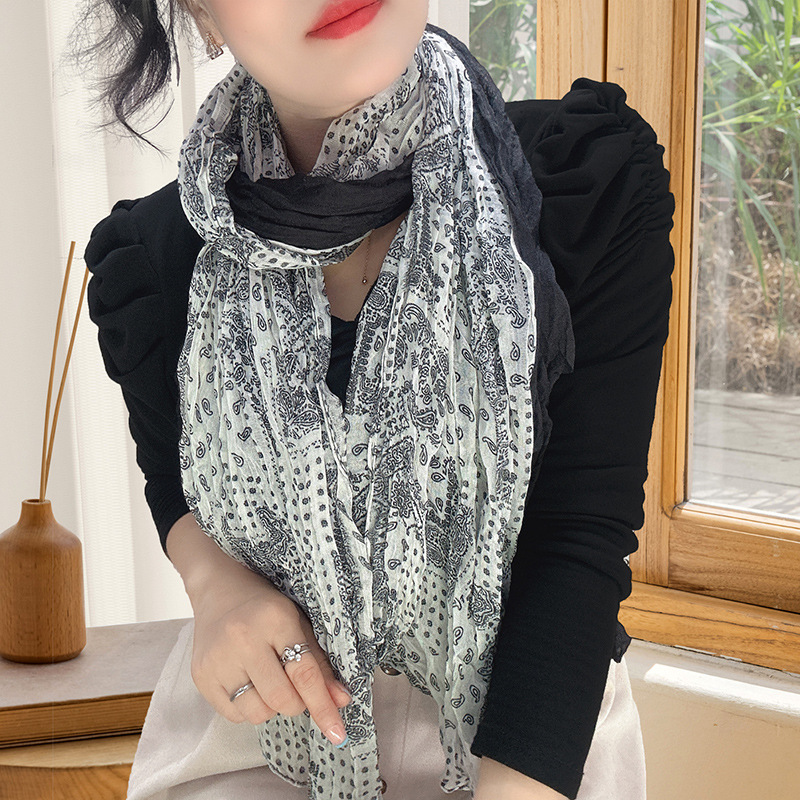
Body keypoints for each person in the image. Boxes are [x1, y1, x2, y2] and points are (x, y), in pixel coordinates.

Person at [81, 1, 675, 798]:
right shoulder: (158, 254)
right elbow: (173, 482)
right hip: (258, 749)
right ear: (201, 15)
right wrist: (215, 589)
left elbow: (578, 541)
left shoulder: (583, 182)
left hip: (530, 751)